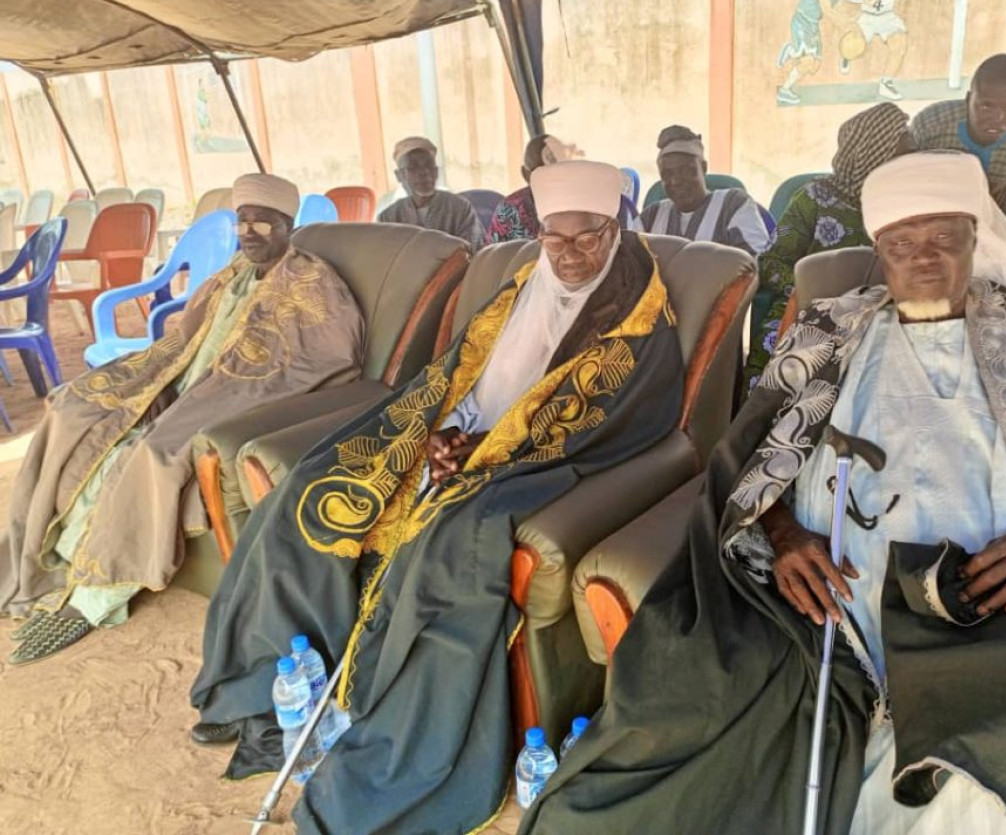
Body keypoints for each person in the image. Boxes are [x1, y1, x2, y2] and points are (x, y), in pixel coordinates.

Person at [519, 152, 1006, 835]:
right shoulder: (830, 331)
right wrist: (782, 535)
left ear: (976, 234)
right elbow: (745, 459)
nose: (924, 261)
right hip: (822, 596)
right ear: (880, 250)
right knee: (676, 727)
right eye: (902, 246)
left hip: (998, 598)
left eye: (943, 239)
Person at [189, 161, 684, 834]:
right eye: (554, 238)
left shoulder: (640, 324)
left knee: (450, 544)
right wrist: (443, 432)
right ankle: (279, 683)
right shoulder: (521, 287)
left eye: (588, 237)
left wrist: (480, 457)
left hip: (535, 464)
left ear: (616, 227)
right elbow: (461, 377)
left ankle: (379, 727)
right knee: (318, 482)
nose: (570, 256)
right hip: (466, 442)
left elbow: (621, 425)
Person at [0, 174, 365, 665]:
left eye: (265, 221)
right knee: (73, 409)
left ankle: (94, 595)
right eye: (243, 221)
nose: (251, 232)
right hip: (179, 378)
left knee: (152, 451)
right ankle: (46, 553)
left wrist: (236, 386)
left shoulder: (313, 281)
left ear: (289, 224)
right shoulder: (233, 273)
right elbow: (184, 336)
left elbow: (331, 355)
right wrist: (164, 379)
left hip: (235, 393)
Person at [746, 102, 913, 388]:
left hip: (878, 318)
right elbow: (772, 262)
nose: (909, 161)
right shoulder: (814, 199)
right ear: (873, 153)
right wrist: (815, 297)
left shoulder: (905, 208)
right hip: (806, 312)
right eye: (901, 152)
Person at [911, 53, 1006, 220]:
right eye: (986, 106)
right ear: (969, 98)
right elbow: (912, 190)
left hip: (994, 222)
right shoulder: (930, 126)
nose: (999, 119)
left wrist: (991, 234)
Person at [634, 125, 773, 256]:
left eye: (686, 171)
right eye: (667, 174)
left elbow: (755, 264)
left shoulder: (733, 205)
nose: (676, 181)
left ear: (704, 168)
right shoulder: (650, 217)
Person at [377, 136, 482, 246]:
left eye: (429, 165)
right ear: (399, 176)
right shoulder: (388, 218)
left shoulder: (460, 208)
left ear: (436, 171)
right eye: (413, 167)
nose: (424, 172)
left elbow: (473, 252)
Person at [482, 134, 573, 246]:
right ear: (526, 175)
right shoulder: (509, 210)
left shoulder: (583, 204)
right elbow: (491, 256)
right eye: (542, 175)